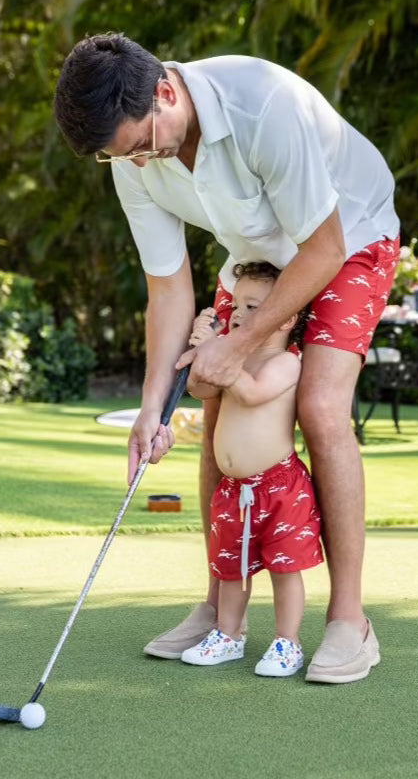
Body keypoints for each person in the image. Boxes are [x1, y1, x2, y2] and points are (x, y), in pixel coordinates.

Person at [54, 34, 400, 684]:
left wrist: (237, 344)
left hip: (349, 235)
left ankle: (350, 621)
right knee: (215, 414)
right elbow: (167, 288)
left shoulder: (261, 104)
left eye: (138, 144)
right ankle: (222, 609)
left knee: (322, 407)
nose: (136, 161)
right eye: (118, 156)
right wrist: (151, 410)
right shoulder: (132, 157)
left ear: (164, 90)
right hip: (256, 254)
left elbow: (322, 251)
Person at [181, 261, 322, 677]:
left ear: (285, 318)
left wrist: (214, 351)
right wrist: (206, 351)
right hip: (233, 489)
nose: (237, 313)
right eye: (236, 303)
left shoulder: (286, 363)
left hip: (279, 487)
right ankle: (228, 634)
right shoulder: (231, 360)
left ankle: (287, 642)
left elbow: (252, 393)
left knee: (284, 568)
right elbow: (199, 387)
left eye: (252, 305)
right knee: (230, 567)